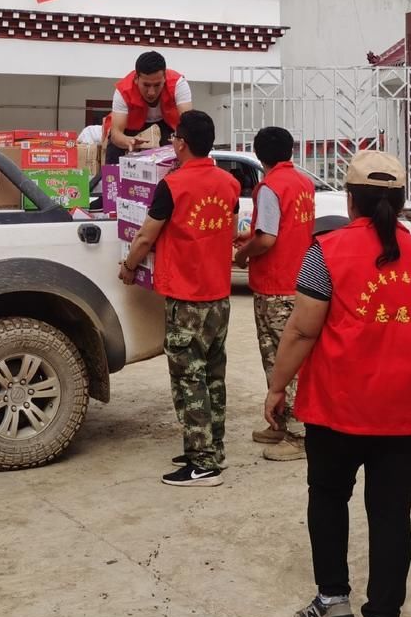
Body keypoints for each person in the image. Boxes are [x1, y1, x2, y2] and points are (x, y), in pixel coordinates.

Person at [264, 150, 411, 617]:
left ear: (350, 200)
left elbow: (304, 328)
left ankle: (332, 602)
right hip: (410, 411)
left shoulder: (324, 251)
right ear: (398, 203)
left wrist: (277, 386)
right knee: (392, 510)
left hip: (339, 407)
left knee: (329, 496)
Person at [119, 110, 240, 488]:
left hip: (187, 299)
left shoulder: (173, 185)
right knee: (213, 374)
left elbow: (145, 237)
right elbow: (231, 229)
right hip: (219, 296)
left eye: (174, 138)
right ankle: (210, 447)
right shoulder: (230, 183)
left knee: (189, 380)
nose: (172, 143)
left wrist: (128, 267)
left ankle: (202, 465)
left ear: (183, 142)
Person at [234, 126, 316, 462]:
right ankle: (280, 422)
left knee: (287, 362)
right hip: (299, 280)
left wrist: (242, 254)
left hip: (277, 286)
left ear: (258, 154)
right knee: (280, 360)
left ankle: (299, 435)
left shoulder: (269, 187)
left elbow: (267, 239)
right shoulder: (302, 182)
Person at [105, 51, 194, 168]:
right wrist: (127, 141)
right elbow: (117, 133)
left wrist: (182, 142)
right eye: (146, 85)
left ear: (165, 78)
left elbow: (189, 123)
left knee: (177, 147)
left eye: (157, 85)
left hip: (168, 121)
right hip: (132, 124)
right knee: (115, 147)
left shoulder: (178, 83)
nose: (151, 93)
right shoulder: (123, 91)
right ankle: (111, 178)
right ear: (136, 79)